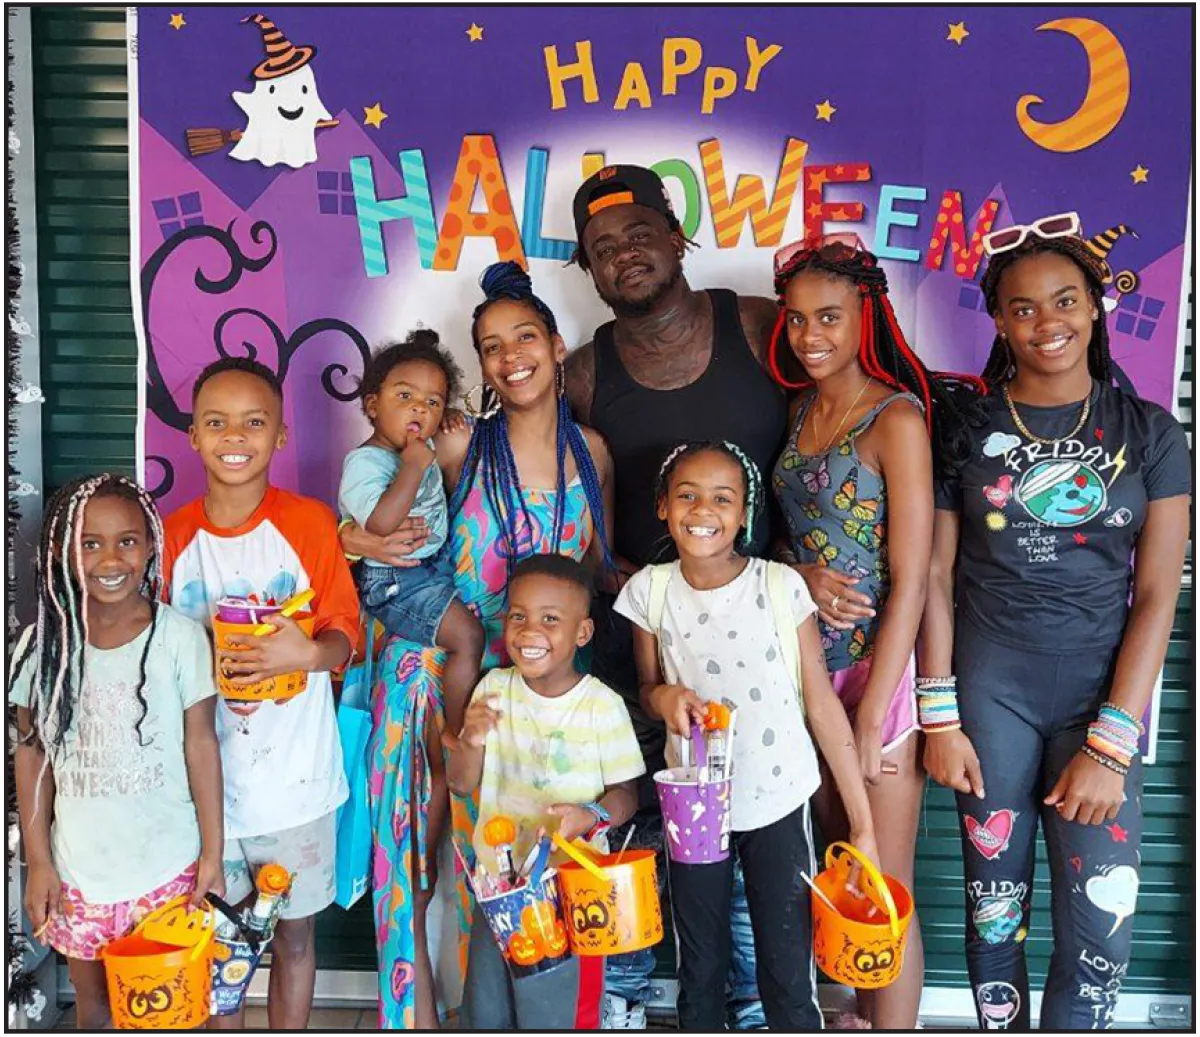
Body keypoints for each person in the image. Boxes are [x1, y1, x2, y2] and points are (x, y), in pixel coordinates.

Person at [918, 213, 1190, 1029]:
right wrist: (939, 716)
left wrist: (1112, 742)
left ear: (1096, 307)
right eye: (1025, 307)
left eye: (1065, 300)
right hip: (989, 694)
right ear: (999, 320)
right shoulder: (964, 426)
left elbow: (1158, 594)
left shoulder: (1150, 432)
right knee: (995, 913)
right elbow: (933, 573)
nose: (1048, 323)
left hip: (1098, 702)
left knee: (1099, 932)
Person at [340, 261, 614, 1028]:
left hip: (535, 706)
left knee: (514, 874)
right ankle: (416, 1018)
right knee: (413, 864)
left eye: (525, 336)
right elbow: (388, 510)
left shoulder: (591, 455)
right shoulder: (460, 443)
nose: (510, 355)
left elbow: (602, 576)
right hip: (431, 677)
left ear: (559, 347)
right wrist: (352, 535)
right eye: (491, 345)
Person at [567, 162, 785, 1029]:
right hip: (643, 648)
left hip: (758, 636)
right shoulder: (583, 372)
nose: (625, 254)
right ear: (586, 268)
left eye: (640, 234)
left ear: (678, 237)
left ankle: (747, 995)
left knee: (751, 820)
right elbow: (560, 492)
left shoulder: (760, 326)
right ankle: (625, 991)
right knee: (641, 820)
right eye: (602, 247)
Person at [769, 233, 986, 1027]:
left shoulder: (895, 419)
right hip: (807, 676)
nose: (809, 336)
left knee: (882, 877)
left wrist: (873, 711)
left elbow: (918, 576)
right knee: (839, 869)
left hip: (877, 679)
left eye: (827, 317)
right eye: (795, 320)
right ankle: (860, 1016)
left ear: (866, 316)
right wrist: (799, 573)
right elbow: (790, 539)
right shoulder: (799, 413)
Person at [615, 441, 880, 1029]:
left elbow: (822, 703)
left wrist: (862, 823)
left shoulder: (780, 586)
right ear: (663, 506)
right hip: (696, 805)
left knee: (787, 967)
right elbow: (648, 688)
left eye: (722, 498)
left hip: (778, 798)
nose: (702, 510)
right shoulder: (650, 592)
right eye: (687, 495)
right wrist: (667, 699)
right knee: (701, 964)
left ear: (743, 514)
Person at [162, 357, 360, 1030]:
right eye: (216, 422)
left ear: (279, 435)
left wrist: (309, 654)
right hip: (203, 791)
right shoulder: (170, 538)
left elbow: (345, 635)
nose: (235, 435)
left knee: (294, 939)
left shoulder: (308, 525)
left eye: (254, 421)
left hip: (295, 784)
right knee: (219, 948)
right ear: (192, 435)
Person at [11, 474, 223, 1030]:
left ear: (151, 545)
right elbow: (32, 755)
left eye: (127, 540)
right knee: (97, 1009)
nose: (111, 558)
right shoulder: (44, 645)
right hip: (82, 875)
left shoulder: (179, 638)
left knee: (179, 1010)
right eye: (90, 542)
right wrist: (38, 863)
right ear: (62, 550)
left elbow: (202, 744)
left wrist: (213, 856)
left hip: (168, 872)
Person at [449, 553, 644, 1028]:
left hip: (572, 893)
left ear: (582, 633)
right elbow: (459, 781)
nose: (529, 631)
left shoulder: (601, 705)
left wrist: (590, 815)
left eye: (550, 620)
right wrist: (470, 738)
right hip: (498, 889)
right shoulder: (492, 691)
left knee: (560, 1015)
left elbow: (627, 794)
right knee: (489, 1010)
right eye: (519, 616)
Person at [339, 330, 484, 756]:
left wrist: (449, 418)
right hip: (394, 581)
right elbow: (381, 523)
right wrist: (414, 467)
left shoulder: (415, 446)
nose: (419, 408)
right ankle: (457, 736)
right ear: (371, 405)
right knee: (469, 637)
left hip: (427, 567)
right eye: (405, 397)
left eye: (434, 401)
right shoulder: (365, 462)